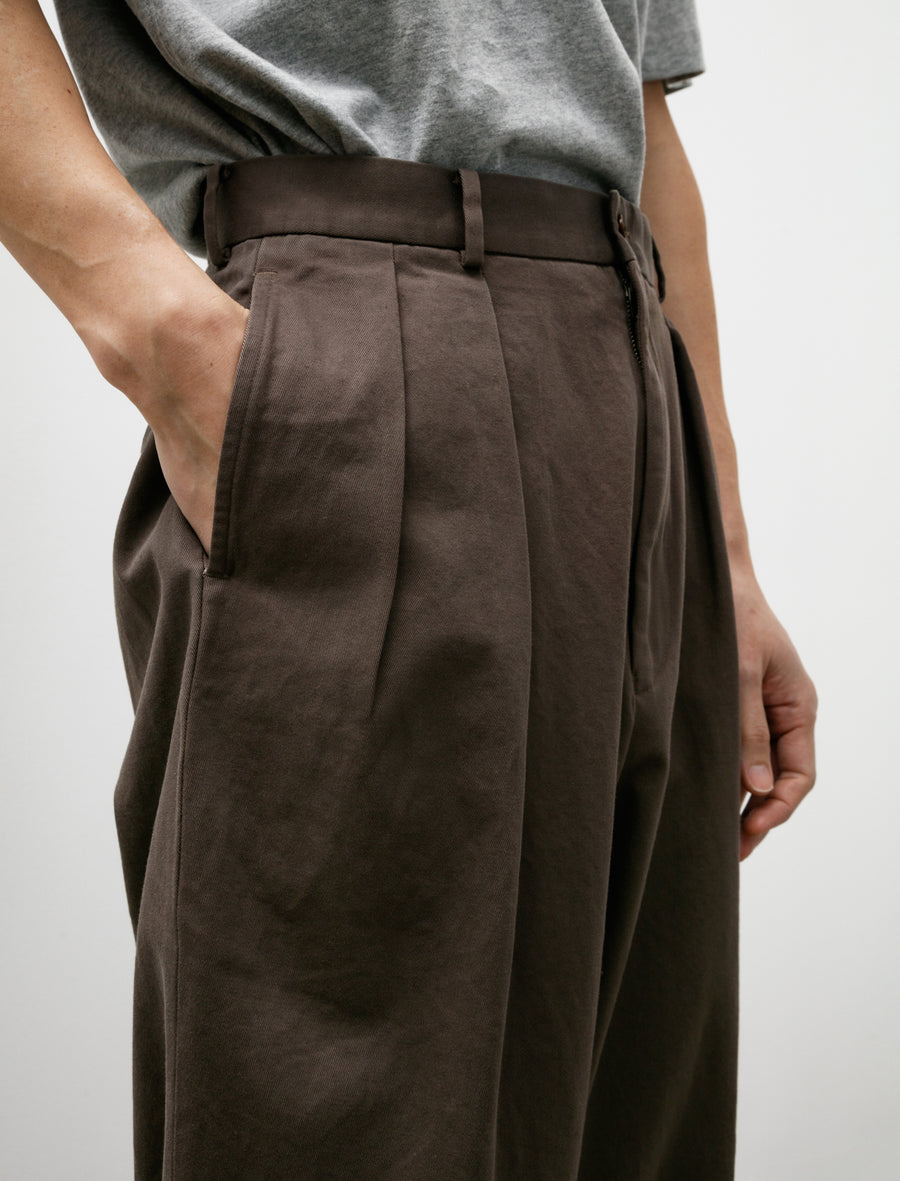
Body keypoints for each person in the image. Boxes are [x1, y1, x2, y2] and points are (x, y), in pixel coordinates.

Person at [0, 1, 818, 1178]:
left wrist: (726, 561)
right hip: (352, 344)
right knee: (343, 1119)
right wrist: (158, 329)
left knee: (631, 1121)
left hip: (630, 377)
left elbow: (637, 107)